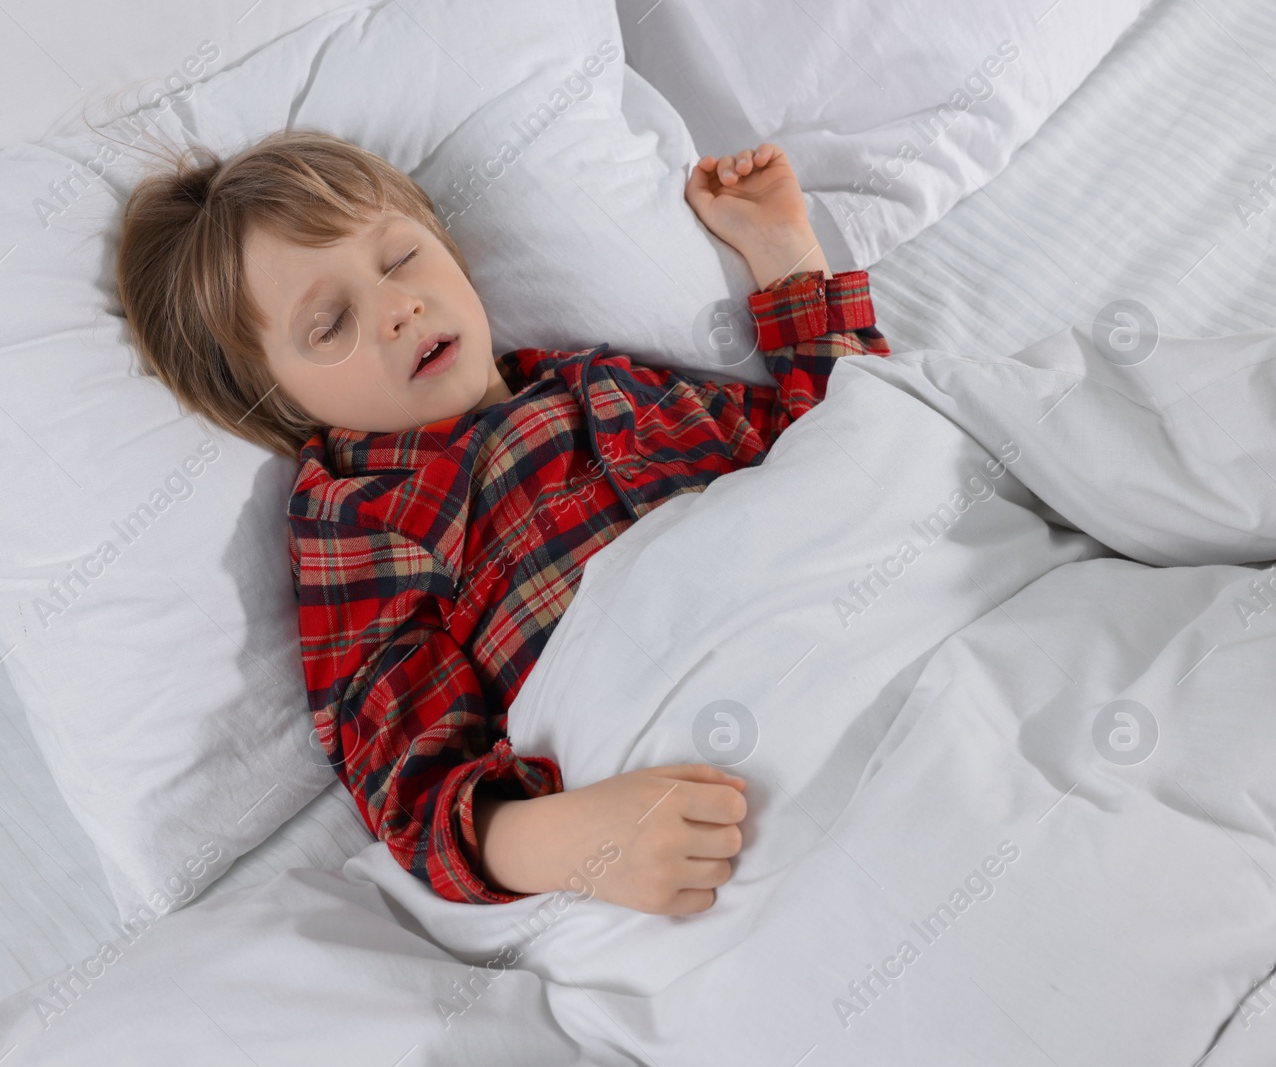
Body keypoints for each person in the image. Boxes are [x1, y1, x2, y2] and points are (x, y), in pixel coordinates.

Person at [116, 128, 890, 915]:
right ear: (282, 402)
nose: (396, 307)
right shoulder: (364, 516)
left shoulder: (602, 382)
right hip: (696, 763)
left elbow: (843, 445)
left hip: (843, 636)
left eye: (399, 259)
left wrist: (785, 249)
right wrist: (573, 840)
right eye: (330, 324)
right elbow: (406, 783)